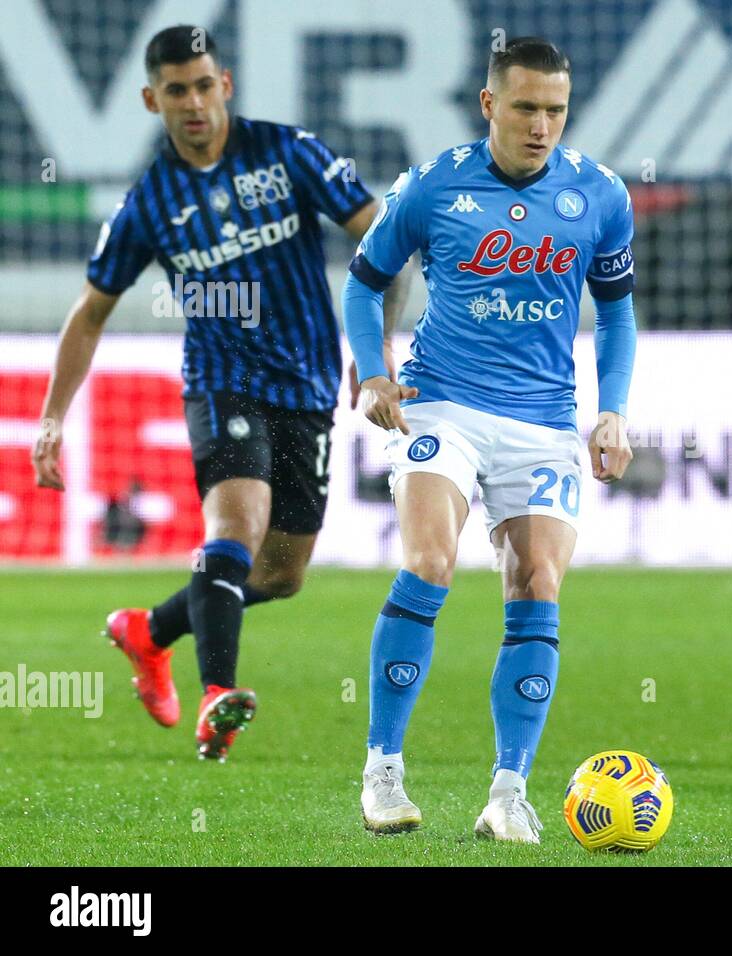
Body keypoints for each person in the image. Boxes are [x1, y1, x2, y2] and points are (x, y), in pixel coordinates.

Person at [30, 25, 406, 762]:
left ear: (224, 84)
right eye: (177, 90)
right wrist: (51, 421)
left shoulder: (288, 151)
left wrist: (375, 351)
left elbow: (380, 238)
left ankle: (149, 631)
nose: (194, 102)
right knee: (237, 525)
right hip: (220, 380)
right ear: (151, 99)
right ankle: (218, 696)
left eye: (204, 85)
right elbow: (90, 311)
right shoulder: (149, 201)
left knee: (282, 573)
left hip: (304, 383)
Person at [344, 37, 637, 841]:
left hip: (543, 421)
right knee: (431, 560)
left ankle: (508, 792)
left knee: (538, 580)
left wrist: (611, 408)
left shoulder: (600, 195)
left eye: (556, 110)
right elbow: (364, 284)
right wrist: (373, 371)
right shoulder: (435, 185)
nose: (541, 126)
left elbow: (615, 309)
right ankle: (383, 771)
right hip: (442, 405)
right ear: (489, 105)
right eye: (526, 108)